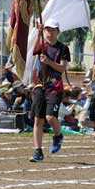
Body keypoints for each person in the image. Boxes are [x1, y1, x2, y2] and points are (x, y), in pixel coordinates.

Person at [30, 19, 71, 162]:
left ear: (58, 32)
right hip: (40, 85)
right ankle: (38, 151)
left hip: (55, 86)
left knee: (50, 117)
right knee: (38, 119)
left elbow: (62, 68)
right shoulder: (42, 45)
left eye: (53, 30)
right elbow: (34, 50)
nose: (50, 33)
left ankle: (58, 135)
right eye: (47, 30)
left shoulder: (63, 48)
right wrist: (38, 32)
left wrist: (48, 62)